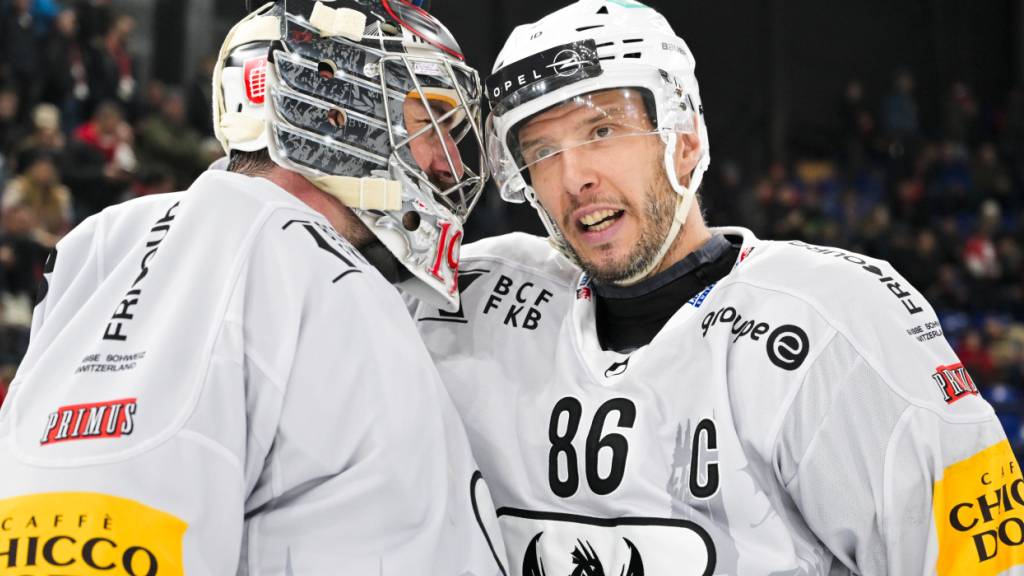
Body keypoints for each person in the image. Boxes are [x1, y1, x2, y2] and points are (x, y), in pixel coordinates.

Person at [407, 1, 1024, 574]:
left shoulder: (835, 323)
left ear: (685, 140)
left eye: (602, 132)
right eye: (542, 152)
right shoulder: (472, 301)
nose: (574, 179)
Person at [0, 1, 506, 574]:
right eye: (427, 122)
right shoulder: (225, 236)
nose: (446, 165)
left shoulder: (285, 249)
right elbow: (91, 531)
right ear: (337, 110)